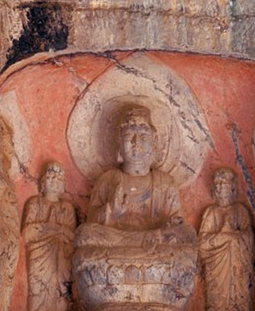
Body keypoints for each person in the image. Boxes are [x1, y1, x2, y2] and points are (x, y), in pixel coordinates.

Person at [76, 105, 196, 249]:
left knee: (187, 235)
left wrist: (172, 225)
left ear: (154, 141)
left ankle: (142, 243)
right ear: (119, 142)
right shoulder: (107, 180)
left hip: (149, 243)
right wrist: (110, 210)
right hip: (119, 241)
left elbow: (177, 226)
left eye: (143, 136)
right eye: (129, 135)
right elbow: (91, 222)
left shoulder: (166, 183)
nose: (136, 142)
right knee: (85, 233)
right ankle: (142, 243)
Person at [199, 168, 255, 311]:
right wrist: (223, 237)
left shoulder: (241, 211)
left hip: (237, 266)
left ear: (233, 188)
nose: (220, 187)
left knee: (239, 295)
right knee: (217, 297)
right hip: (217, 267)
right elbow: (202, 243)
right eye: (217, 184)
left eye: (224, 184)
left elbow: (249, 239)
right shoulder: (211, 212)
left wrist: (233, 238)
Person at [22, 162, 76, 311]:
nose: (54, 181)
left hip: (61, 257)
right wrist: (52, 229)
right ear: (43, 182)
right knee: (39, 287)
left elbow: (72, 237)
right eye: (51, 177)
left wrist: (53, 230)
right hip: (39, 255)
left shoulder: (67, 208)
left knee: (60, 288)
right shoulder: (34, 204)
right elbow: (27, 234)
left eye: (59, 178)